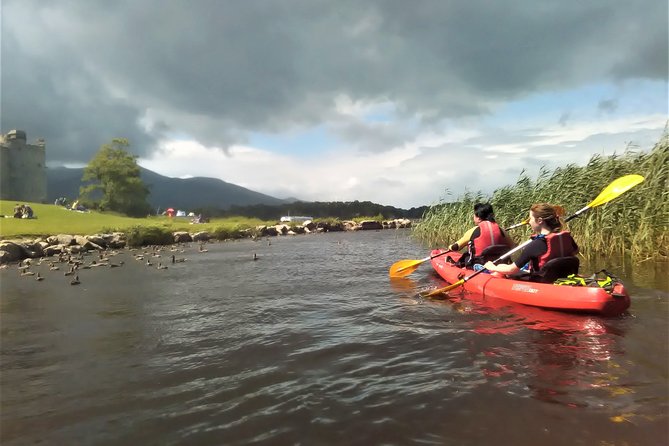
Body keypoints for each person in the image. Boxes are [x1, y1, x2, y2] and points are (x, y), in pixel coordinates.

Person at [483, 203, 578, 276]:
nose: (529, 222)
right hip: (561, 277)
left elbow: (511, 269)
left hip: (541, 281)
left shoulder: (536, 244)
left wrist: (492, 267)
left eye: (530, 218)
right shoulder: (566, 237)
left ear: (540, 221)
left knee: (500, 269)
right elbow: (575, 251)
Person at [448, 203, 513, 266]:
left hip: (479, 265)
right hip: (500, 265)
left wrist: (450, 247)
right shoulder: (502, 230)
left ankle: (458, 265)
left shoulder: (473, 231)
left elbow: (456, 247)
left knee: (466, 254)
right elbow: (512, 246)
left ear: (478, 218)